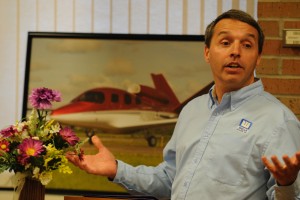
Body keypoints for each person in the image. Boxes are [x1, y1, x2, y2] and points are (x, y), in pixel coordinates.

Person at [66, 9, 300, 199]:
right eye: (226, 42)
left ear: (258, 57)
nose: (235, 52)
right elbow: (169, 180)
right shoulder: (192, 111)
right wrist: (117, 169)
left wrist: (286, 185)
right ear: (207, 52)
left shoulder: (279, 121)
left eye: (247, 45)